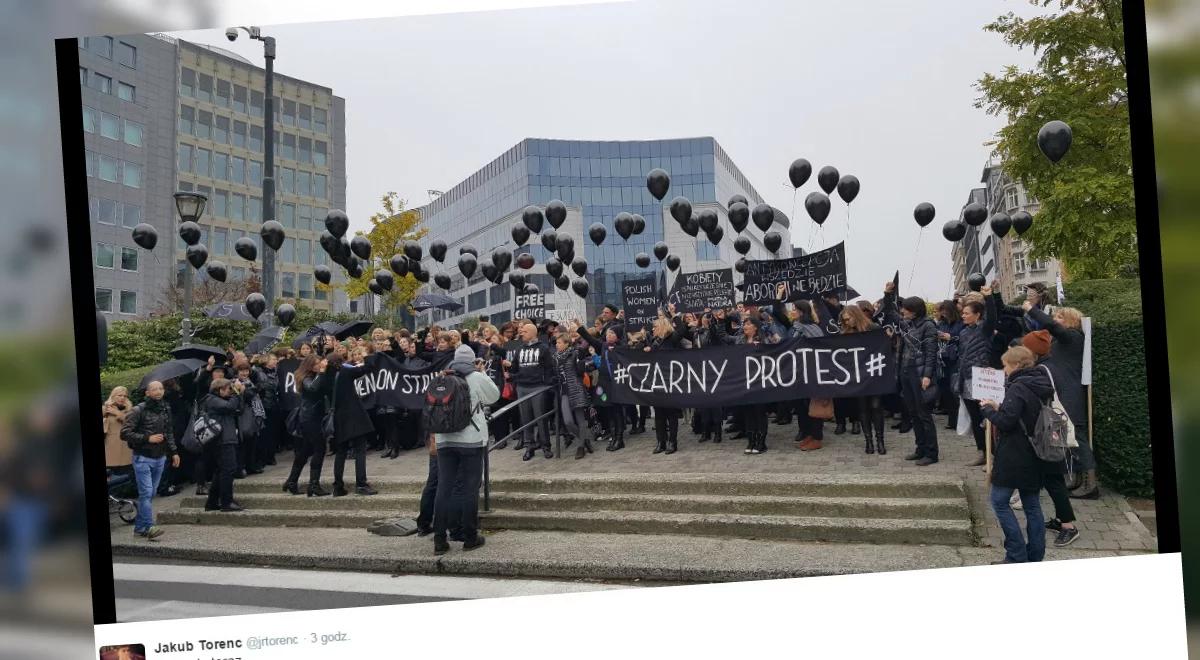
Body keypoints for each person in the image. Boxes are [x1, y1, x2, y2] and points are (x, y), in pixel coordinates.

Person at [978, 346, 1056, 563]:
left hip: (1015, 454)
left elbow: (1006, 422)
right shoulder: (1040, 383)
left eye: (1005, 365)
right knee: (1032, 505)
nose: (1003, 370)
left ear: (1015, 365)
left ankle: (1016, 555)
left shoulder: (1018, 386)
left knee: (999, 501)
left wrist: (988, 410)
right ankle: (1035, 555)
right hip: (1037, 452)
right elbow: (1024, 412)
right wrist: (1000, 406)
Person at [430, 344, 501, 555]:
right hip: (470, 439)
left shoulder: (442, 377)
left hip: (444, 440)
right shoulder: (477, 377)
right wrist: (482, 373)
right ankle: (470, 537)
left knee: (444, 488)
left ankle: (440, 540)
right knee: (470, 489)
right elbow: (494, 396)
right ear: (473, 361)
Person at [1024, 304, 1097, 499]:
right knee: (1067, 436)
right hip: (1062, 392)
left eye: (1060, 317)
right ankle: (1075, 479)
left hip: (1069, 394)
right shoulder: (1063, 339)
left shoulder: (1072, 337)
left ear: (1071, 321)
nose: (1055, 320)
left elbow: (1050, 325)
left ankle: (1091, 485)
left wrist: (1031, 309)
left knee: (1078, 438)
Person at [1021, 330, 1081, 546]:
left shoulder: (1042, 370)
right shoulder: (1052, 365)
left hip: (1049, 432)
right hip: (1054, 429)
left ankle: (1069, 526)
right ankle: (1061, 519)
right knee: (1052, 479)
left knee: (1054, 480)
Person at [881, 280, 939, 465]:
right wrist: (888, 294)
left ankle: (931, 453)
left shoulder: (928, 326)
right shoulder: (908, 324)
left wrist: (927, 376)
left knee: (924, 415)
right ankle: (920, 448)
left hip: (919, 374)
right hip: (906, 372)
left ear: (915, 310)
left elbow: (931, 353)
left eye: (905, 309)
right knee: (914, 413)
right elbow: (890, 312)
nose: (902, 311)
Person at [120, 381, 180, 539]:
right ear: (147, 393)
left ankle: (139, 527)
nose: (159, 391)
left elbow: (169, 432)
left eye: (161, 388)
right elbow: (125, 433)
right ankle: (149, 527)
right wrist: (148, 438)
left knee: (151, 493)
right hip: (142, 457)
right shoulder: (138, 409)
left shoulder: (165, 407)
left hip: (160, 457)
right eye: (154, 389)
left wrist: (174, 452)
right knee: (146, 493)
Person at [957, 287, 998, 467]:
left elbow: (993, 318)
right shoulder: (964, 332)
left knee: (987, 419)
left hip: (982, 379)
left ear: (977, 314)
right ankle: (982, 451)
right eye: (963, 313)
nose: (963, 316)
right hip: (966, 379)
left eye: (967, 313)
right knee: (975, 419)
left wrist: (988, 297)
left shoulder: (985, 330)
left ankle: (994, 456)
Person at [283, 354, 334, 496]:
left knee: (305, 451)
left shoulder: (313, 375)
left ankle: (292, 481)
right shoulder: (306, 378)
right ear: (310, 365)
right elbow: (312, 388)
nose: (319, 366)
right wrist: (322, 372)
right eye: (317, 364)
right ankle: (314, 485)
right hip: (310, 418)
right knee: (320, 449)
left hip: (312, 417)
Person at [840, 305, 888, 455]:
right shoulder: (846, 333)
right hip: (858, 376)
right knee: (862, 409)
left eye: (848, 319)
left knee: (876, 406)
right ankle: (868, 442)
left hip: (873, 374)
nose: (847, 322)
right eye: (844, 320)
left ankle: (880, 440)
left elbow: (884, 347)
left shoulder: (873, 328)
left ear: (856, 315)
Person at [331, 346, 378, 496]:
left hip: (338, 419)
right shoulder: (345, 371)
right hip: (354, 416)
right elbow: (369, 367)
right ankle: (361, 484)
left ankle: (338, 486)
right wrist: (366, 355)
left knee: (340, 452)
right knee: (360, 450)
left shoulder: (326, 375)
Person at [506, 321, 556, 461]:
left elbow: (549, 368)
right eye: (521, 332)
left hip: (538, 387)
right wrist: (512, 376)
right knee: (525, 419)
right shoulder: (519, 349)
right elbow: (515, 368)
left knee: (541, 418)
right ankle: (529, 447)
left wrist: (546, 384)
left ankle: (546, 446)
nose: (521, 333)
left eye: (525, 331)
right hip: (522, 387)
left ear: (533, 333)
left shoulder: (544, 348)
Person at [577, 322, 627, 451]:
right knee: (609, 410)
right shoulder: (604, 346)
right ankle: (614, 435)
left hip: (616, 382)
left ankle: (619, 438)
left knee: (617, 410)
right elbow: (590, 339)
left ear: (618, 336)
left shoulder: (622, 347)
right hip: (604, 383)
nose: (609, 335)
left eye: (612, 333)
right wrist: (579, 327)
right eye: (608, 332)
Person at [201, 378, 247, 512]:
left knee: (220, 471)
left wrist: (239, 395)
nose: (230, 392)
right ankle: (227, 502)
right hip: (222, 440)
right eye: (228, 389)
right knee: (228, 470)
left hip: (227, 438)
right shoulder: (211, 399)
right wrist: (237, 393)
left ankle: (212, 502)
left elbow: (239, 409)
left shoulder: (224, 400)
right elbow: (230, 407)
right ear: (219, 390)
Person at [646, 310, 687, 454]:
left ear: (663, 326)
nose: (652, 329)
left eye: (655, 327)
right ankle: (660, 442)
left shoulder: (671, 339)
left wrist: (674, 314)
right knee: (659, 414)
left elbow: (682, 329)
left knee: (671, 413)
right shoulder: (654, 342)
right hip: (657, 382)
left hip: (670, 382)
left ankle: (672, 442)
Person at [554, 330, 596, 459]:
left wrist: (581, 362)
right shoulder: (555, 357)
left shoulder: (575, 353)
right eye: (556, 342)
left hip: (576, 389)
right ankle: (585, 439)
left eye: (559, 342)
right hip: (564, 391)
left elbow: (580, 370)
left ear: (567, 343)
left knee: (580, 420)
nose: (557, 344)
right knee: (568, 421)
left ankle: (581, 447)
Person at [935, 300, 964, 430]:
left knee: (955, 390)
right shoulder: (941, 323)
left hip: (955, 359)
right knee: (945, 390)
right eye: (942, 311)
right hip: (942, 360)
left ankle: (959, 420)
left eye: (945, 311)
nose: (943, 314)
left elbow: (963, 338)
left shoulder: (961, 323)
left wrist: (951, 337)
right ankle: (952, 420)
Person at [102, 386, 133, 471]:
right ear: (113, 396)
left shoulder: (130, 410)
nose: (122, 398)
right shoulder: (105, 409)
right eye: (119, 395)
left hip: (126, 450)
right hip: (110, 450)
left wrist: (117, 413)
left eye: (125, 396)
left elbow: (133, 424)